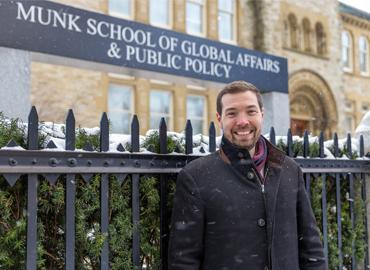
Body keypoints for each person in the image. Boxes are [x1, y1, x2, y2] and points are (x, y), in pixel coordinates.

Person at [168, 81, 326, 270]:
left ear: (262, 114)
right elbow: (184, 260)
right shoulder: (196, 176)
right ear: (219, 119)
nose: (242, 121)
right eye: (232, 113)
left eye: (251, 111)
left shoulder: (288, 169)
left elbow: (311, 248)